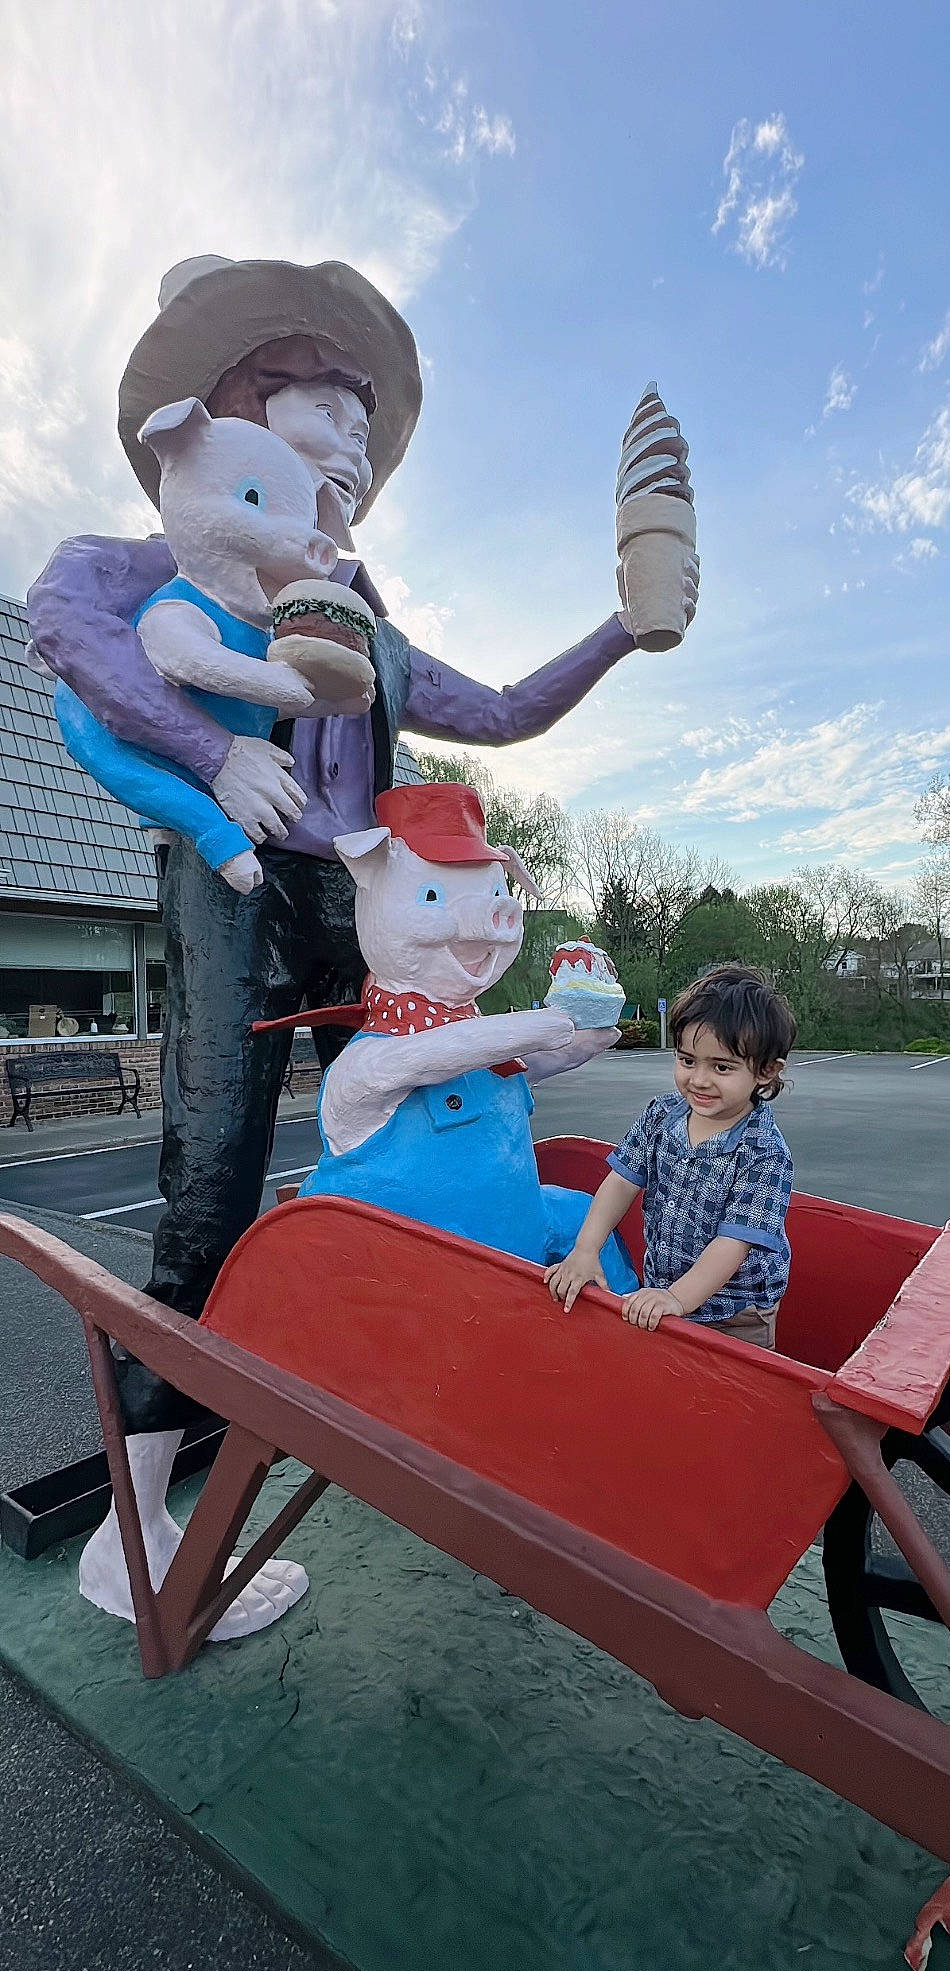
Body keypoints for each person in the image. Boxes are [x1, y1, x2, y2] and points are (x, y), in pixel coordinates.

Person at [25, 254, 700, 1427]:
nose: (353, 446)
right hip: (237, 879)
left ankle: (396, 1375)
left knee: (420, 1131)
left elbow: (504, 710)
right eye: (325, 410)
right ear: (240, 407)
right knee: (213, 1171)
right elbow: (68, 633)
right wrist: (212, 756)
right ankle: (156, 1444)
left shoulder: (369, 629)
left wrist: (619, 631)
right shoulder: (162, 571)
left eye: (362, 428)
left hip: (365, 899)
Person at [545, 966, 796, 1346]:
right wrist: (585, 1249)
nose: (699, 1080)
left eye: (722, 1067)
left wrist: (678, 1298)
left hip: (734, 1313)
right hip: (662, 1288)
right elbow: (620, 1183)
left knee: (730, 1382)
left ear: (765, 1071)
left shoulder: (764, 1153)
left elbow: (733, 1244)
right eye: (688, 1060)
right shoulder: (662, 1115)